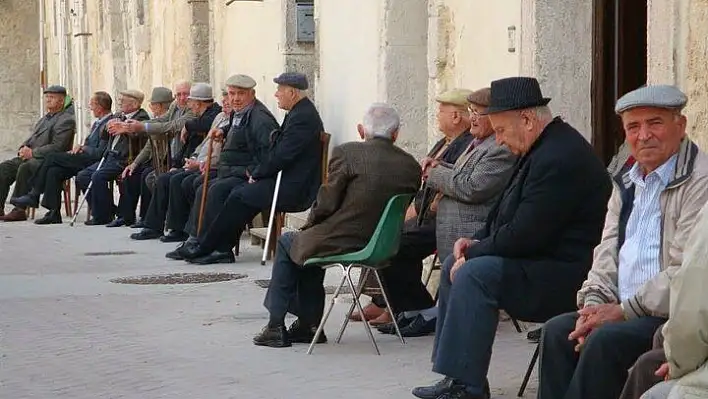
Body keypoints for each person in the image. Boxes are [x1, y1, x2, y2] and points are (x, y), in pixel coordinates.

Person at [412, 77, 612, 399]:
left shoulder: (559, 156)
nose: (500, 141)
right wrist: (474, 242)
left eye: (502, 131)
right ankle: (456, 375)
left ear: (528, 119)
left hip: (567, 274)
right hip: (540, 261)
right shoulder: (542, 147)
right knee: (455, 261)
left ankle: (468, 387)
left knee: (474, 274)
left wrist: (474, 257)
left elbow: (527, 233)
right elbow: (504, 215)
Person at [538, 84, 708, 399]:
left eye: (655, 123)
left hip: (666, 315)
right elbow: (606, 251)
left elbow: (685, 272)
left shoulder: (699, 180)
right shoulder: (627, 180)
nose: (644, 135)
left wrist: (623, 310)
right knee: (559, 332)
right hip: (619, 307)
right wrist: (593, 306)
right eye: (633, 127)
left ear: (680, 125)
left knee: (606, 341)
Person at [252, 103, 422, 348]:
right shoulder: (410, 166)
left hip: (344, 239)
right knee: (307, 246)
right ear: (396, 134)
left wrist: (310, 224)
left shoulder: (348, 153)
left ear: (361, 130)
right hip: (381, 245)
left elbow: (326, 203)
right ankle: (308, 326)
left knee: (289, 241)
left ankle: (276, 325)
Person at [376, 87, 518, 338]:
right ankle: (418, 312)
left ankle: (424, 313)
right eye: (471, 112)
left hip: (471, 230)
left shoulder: (499, 148)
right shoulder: (477, 143)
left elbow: (473, 186)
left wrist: (436, 173)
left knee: (398, 245)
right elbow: (462, 174)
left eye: (478, 113)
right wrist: (441, 166)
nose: (472, 118)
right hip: (449, 228)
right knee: (393, 242)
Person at [353, 88, 474, 328]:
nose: (437, 115)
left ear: (457, 116)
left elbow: (446, 186)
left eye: (441, 110)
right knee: (383, 232)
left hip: (443, 219)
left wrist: (414, 210)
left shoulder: (467, 144)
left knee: (395, 244)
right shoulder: (446, 142)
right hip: (427, 213)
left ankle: (415, 308)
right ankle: (389, 303)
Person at [173, 72, 324, 265]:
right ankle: (213, 246)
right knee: (236, 192)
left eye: (279, 90)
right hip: (285, 178)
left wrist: (255, 172)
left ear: (292, 93)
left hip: (294, 186)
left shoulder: (302, 117)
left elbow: (281, 155)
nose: (276, 94)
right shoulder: (299, 111)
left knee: (239, 194)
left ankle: (213, 247)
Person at [130, 83, 224, 240]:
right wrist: (177, 164)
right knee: (163, 178)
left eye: (189, 98)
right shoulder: (211, 115)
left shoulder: (212, 114)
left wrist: (187, 126)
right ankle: (154, 225)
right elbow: (168, 124)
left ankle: (178, 229)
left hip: (207, 165)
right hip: (192, 160)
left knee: (173, 180)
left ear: (198, 102)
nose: (186, 101)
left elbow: (192, 126)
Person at [10, 91, 115, 224]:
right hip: (82, 157)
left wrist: (83, 148)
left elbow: (101, 153)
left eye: (92, 105)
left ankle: (35, 194)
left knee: (51, 158)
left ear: (100, 107)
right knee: (53, 171)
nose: (90, 108)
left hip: (93, 161)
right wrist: (80, 147)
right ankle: (53, 213)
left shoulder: (109, 124)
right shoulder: (97, 123)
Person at [111, 82, 195, 227]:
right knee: (135, 173)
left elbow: (171, 126)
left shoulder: (192, 111)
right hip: (165, 159)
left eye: (186, 94)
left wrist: (142, 126)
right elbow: (161, 124)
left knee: (151, 176)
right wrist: (132, 126)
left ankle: (158, 221)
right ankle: (141, 218)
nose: (182, 98)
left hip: (181, 158)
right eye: (179, 94)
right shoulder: (175, 106)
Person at [0, 85, 75, 221]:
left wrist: (33, 153)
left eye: (52, 97)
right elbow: (31, 138)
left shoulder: (66, 120)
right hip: (30, 157)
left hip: (46, 160)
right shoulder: (44, 119)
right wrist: (23, 148)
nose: (48, 100)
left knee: (25, 168)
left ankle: (19, 209)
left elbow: (58, 147)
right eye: (47, 97)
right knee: (4, 167)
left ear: (61, 101)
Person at [75, 89, 149, 225]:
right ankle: (106, 211)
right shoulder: (119, 115)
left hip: (125, 158)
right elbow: (104, 135)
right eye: (120, 99)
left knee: (98, 176)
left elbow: (139, 136)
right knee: (83, 176)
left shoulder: (142, 117)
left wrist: (125, 128)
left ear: (134, 104)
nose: (120, 102)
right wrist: (107, 126)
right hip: (109, 156)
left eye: (124, 100)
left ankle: (103, 216)